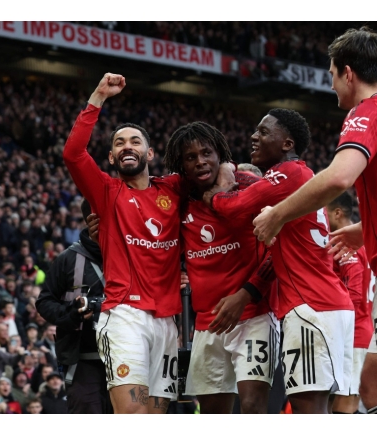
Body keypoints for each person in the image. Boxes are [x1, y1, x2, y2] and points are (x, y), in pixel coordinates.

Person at [252, 27, 377, 414]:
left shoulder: (366, 113)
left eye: (331, 75)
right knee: (372, 377)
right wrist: (366, 231)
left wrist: (277, 215)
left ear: (348, 72)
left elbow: (338, 177)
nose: (331, 85)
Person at [62, 73, 233, 414]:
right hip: (124, 315)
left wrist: (229, 171)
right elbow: (73, 154)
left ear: (150, 153)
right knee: (132, 415)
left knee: (155, 417)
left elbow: (213, 169)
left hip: (167, 322)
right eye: (120, 143)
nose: (128, 146)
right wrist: (98, 96)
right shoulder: (107, 192)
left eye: (135, 141)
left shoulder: (173, 188)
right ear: (111, 158)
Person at [202, 108, 355, 414]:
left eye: (263, 132)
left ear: (287, 144)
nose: (254, 137)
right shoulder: (299, 179)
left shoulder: (290, 173)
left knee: (308, 409)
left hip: (312, 306)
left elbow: (235, 207)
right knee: (313, 407)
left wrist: (216, 191)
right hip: (322, 304)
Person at [162, 122, 278, 413]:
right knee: (214, 415)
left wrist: (245, 295)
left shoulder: (249, 186)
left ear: (220, 156)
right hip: (207, 323)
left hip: (255, 315)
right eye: (190, 157)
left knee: (253, 406)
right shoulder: (180, 201)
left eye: (206, 153)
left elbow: (281, 251)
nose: (200, 161)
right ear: (182, 166)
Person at [36, 198, 112, 414]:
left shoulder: (132, 254)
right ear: (91, 220)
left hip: (125, 356)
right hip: (82, 360)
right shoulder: (67, 259)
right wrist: (72, 314)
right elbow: (44, 301)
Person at [325, 192, 374, 414]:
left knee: (344, 406)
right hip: (362, 332)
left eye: (323, 212)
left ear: (337, 213)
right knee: (343, 403)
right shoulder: (364, 242)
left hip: (353, 335)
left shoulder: (348, 246)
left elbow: (353, 294)